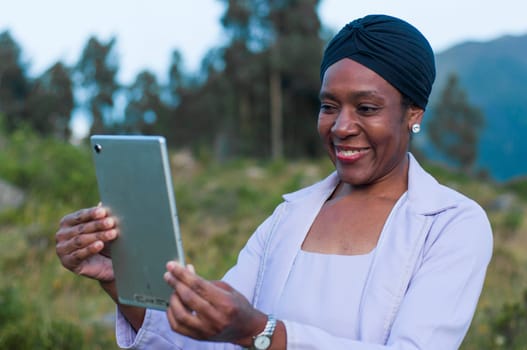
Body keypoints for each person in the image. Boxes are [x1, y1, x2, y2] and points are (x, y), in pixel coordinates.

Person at [56, 14, 493, 349]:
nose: (341, 126)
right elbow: (211, 339)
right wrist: (122, 280)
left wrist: (263, 332)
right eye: (328, 105)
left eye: (366, 108)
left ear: (413, 112)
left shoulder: (452, 225)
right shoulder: (289, 216)